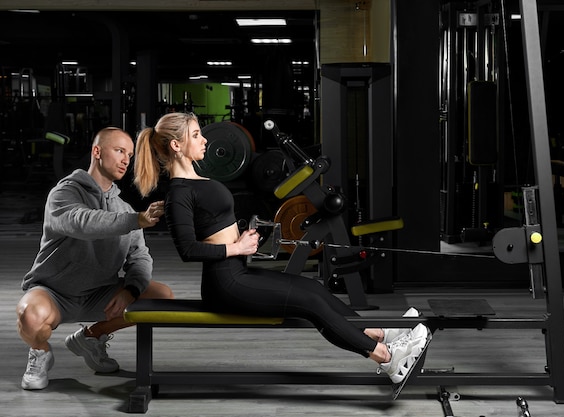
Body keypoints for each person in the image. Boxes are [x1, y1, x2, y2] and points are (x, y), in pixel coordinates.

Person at [132, 112, 430, 385]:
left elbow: (213, 227)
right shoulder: (179, 193)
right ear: (176, 145)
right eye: (196, 135)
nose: (205, 139)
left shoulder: (196, 181)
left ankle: (380, 333)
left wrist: (246, 237)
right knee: (311, 306)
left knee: (315, 291)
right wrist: (236, 248)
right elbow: (188, 251)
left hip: (238, 272)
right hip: (225, 284)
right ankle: (388, 359)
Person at [16, 127, 174, 390]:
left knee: (161, 296)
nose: (126, 159)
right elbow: (82, 221)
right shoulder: (64, 194)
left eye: (130, 154)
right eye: (119, 151)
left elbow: (140, 257)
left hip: (100, 294)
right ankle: (40, 352)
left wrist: (131, 290)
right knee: (29, 315)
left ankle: (90, 338)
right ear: (97, 152)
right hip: (55, 293)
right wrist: (135, 220)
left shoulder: (124, 209)